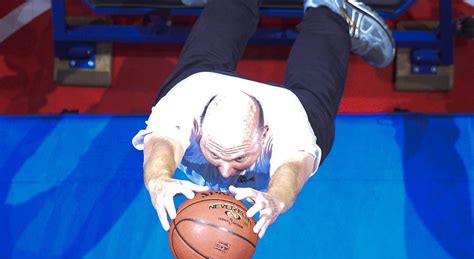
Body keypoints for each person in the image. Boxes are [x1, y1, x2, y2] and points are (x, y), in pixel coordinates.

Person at [132, 0, 395, 238]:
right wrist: (158, 180)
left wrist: (275, 199)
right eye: (215, 154)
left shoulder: (290, 127)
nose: (225, 172)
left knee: (316, 99)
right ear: (198, 129)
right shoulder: (183, 104)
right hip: (205, 84)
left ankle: (331, 11)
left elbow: (291, 171)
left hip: (289, 110)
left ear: (265, 134)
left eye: (238, 158)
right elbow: (162, 145)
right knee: (203, 55)